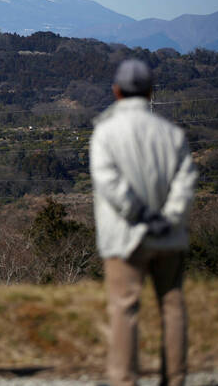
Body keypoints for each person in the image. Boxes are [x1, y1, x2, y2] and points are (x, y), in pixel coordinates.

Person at [90, 59, 198, 386]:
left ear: (116, 91)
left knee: (124, 310)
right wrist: (168, 217)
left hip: (125, 237)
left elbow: (109, 183)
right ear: (151, 91)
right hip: (168, 236)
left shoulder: (105, 132)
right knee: (173, 307)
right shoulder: (172, 134)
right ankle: (175, 379)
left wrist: (140, 214)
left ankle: (125, 380)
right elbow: (186, 180)